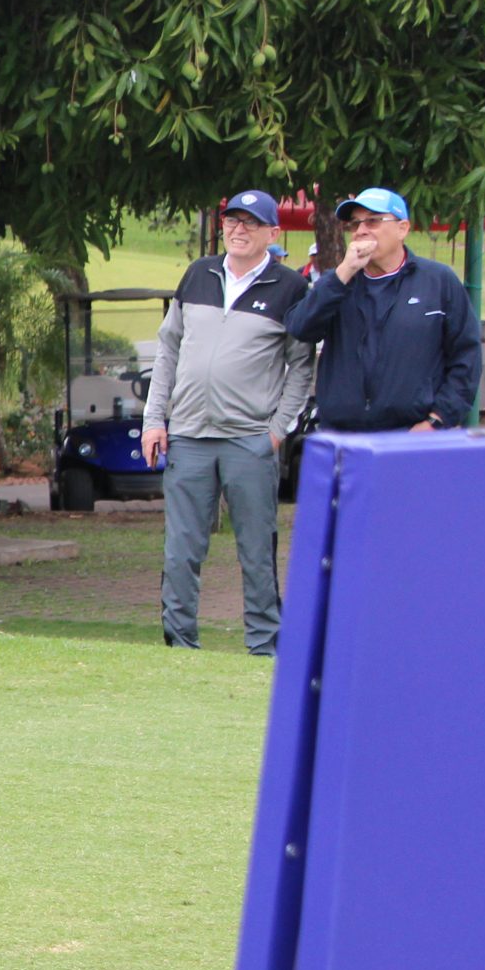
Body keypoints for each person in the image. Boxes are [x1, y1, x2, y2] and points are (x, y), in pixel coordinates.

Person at [141, 190, 317, 656]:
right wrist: (154, 419)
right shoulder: (199, 274)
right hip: (188, 436)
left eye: (250, 223)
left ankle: (264, 645)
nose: (238, 230)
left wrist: (278, 430)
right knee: (181, 550)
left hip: (249, 441)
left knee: (257, 552)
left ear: (272, 234)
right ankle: (179, 643)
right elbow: (169, 349)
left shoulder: (291, 289)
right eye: (231, 221)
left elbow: (301, 367)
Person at [284, 187, 483, 435]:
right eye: (355, 224)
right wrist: (343, 272)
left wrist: (437, 420)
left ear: (403, 229)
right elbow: (300, 328)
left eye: (373, 221)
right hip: (343, 435)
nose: (361, 231)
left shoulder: (438, 281)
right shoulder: (339, 283)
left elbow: (467, 356)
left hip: (412, 434)